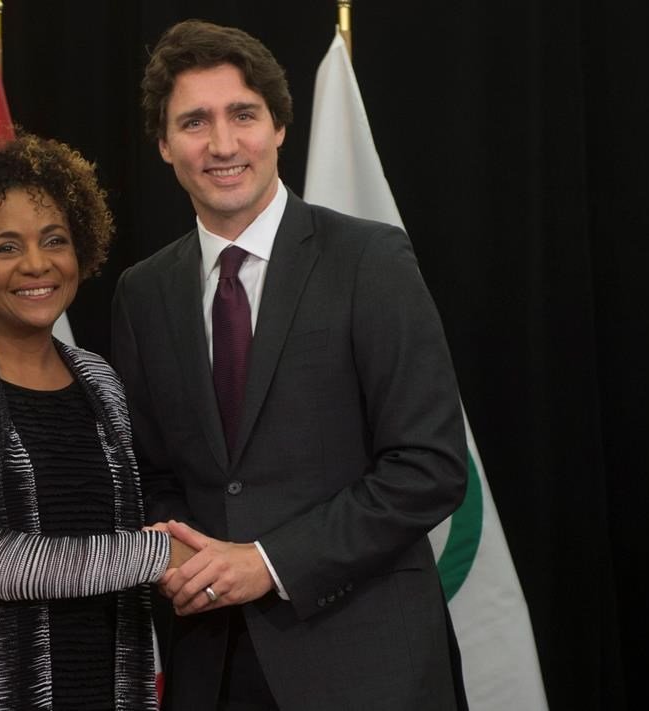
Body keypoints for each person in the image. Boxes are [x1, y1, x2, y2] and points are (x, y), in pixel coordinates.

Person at [111, 19, 469, 710]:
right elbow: (152, 471)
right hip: (212, 667)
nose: (221, 144)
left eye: (242, 114)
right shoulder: (142, 292)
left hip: (368, 667)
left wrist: (268, 563)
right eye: (194, 121)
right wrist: (179, 551)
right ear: (163, 144)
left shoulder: (371, 261)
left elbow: (429, 466)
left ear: (279, 126)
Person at [0, 133, 192, 710]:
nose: (37, 264)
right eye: (5, 247)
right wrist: (157, 555)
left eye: (55, 240)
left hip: (105, 686)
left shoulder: (102, 382)